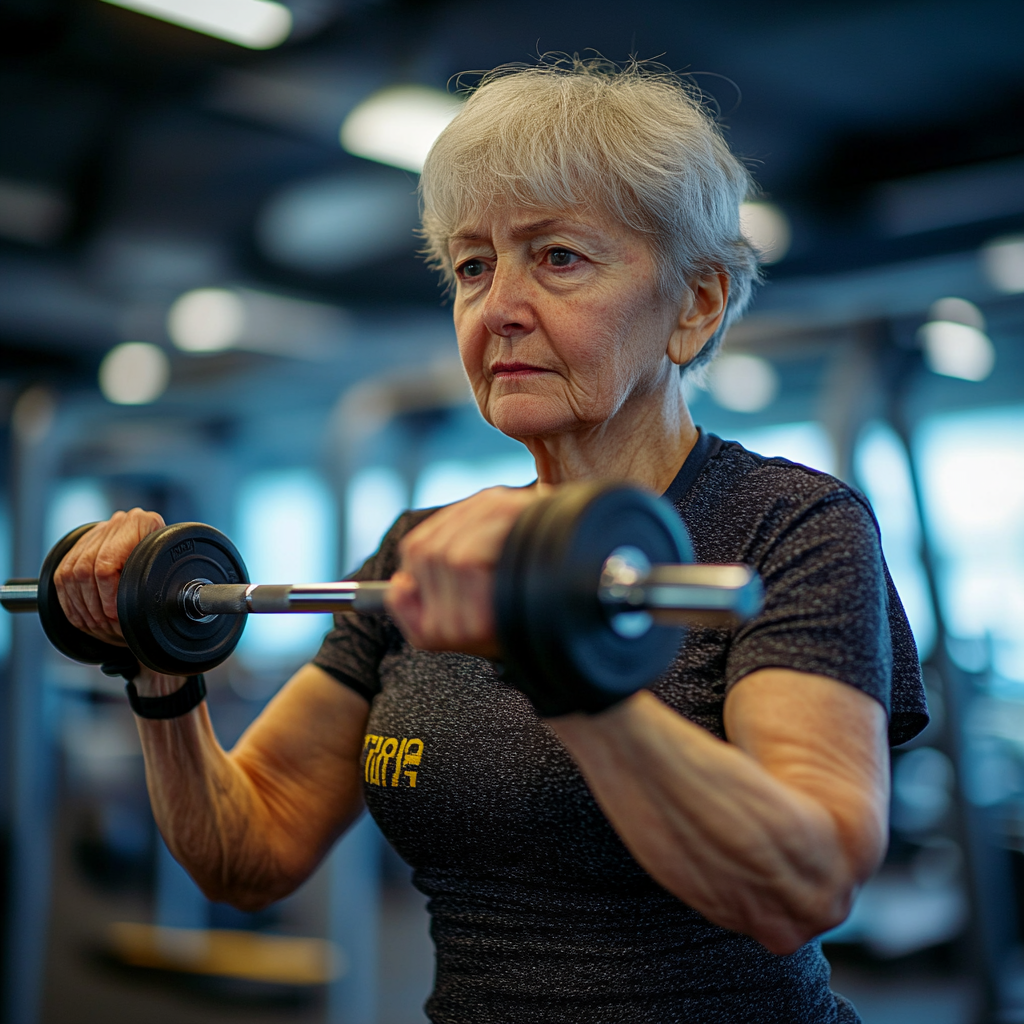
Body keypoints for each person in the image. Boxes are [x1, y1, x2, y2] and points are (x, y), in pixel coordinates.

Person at [55, 58, 927, 1023]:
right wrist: (159, 670)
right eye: (474, 265)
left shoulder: (786, 528)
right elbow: (250, 851)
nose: (497, 308)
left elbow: (803, 886)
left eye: (557, 257)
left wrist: (563, 669)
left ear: (697, 304)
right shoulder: (423, 550)